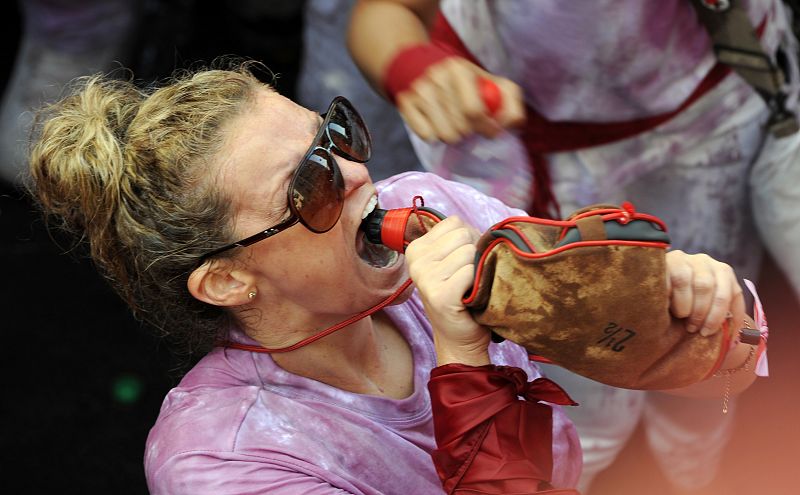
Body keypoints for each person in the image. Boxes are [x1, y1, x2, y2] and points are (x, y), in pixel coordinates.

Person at [27, 64, 758, 494]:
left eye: (334, 135)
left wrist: (696, 313)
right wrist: (465, 361)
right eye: (307, 187)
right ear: (225, 281)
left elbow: (729, 364)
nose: (355, 175)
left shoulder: (430, 209)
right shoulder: (220, 456)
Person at [347, 0, 794, 492]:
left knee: (699, 336)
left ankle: (697, 472)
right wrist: (412, 65)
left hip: (703, 138)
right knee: (579, 396)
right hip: (520, 163)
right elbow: (384, 12)